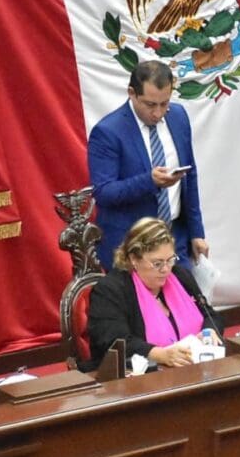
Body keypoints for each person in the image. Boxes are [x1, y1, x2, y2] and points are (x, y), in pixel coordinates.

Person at [87, 60, 208, 270]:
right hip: (131, 247)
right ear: (132, 93)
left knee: (187, 292)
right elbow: (104, 192)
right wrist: (149, 181)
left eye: (164, 103)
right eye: (150, 104)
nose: (158, 113)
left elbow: (190, 175)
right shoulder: (108, 132)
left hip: (175, 240)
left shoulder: (178, 117)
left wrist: (197, 232)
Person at [86, 217, 223, 369]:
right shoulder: (110, 289)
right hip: (139, 377)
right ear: (133, 259)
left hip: (194, 368)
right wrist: (159, 354)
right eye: (157, 263)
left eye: (170, 260)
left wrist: (209, 330)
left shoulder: (180, 276)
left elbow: (209, 314)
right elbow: (113, 341)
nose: (165, 269)